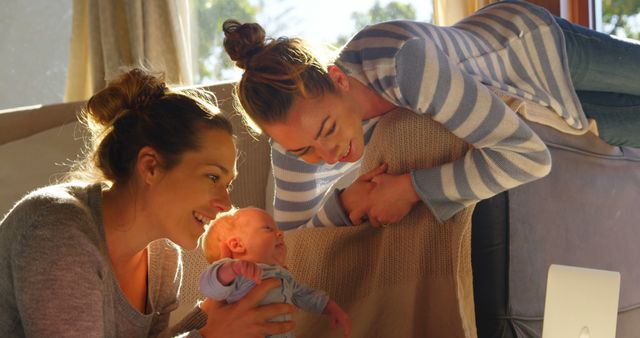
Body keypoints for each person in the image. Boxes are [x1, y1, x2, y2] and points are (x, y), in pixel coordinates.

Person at [221, 0, 640, 230]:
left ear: (338, 79)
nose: (327, 156)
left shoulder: (405, 65)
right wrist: (348, 201)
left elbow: (527, 157)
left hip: (532, 46)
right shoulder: (290, 139)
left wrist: (409, 189)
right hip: (542, 107)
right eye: (305, 151)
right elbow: (291, 239)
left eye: (327, 130)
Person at [0, 68, 295, 337]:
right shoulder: (58, 234)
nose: (225, 203)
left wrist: (209, 317)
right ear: (150, 166)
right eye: (212, 177)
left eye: (227, 184)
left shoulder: (163, 259)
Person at [199, 207, 352, 338]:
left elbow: (304, 295)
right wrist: (232, 268)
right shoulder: (237, 273)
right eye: (268, 229)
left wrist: (331, 307)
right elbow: (209, 287)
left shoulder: (283, 275)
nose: (280, 234)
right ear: (237, 245)